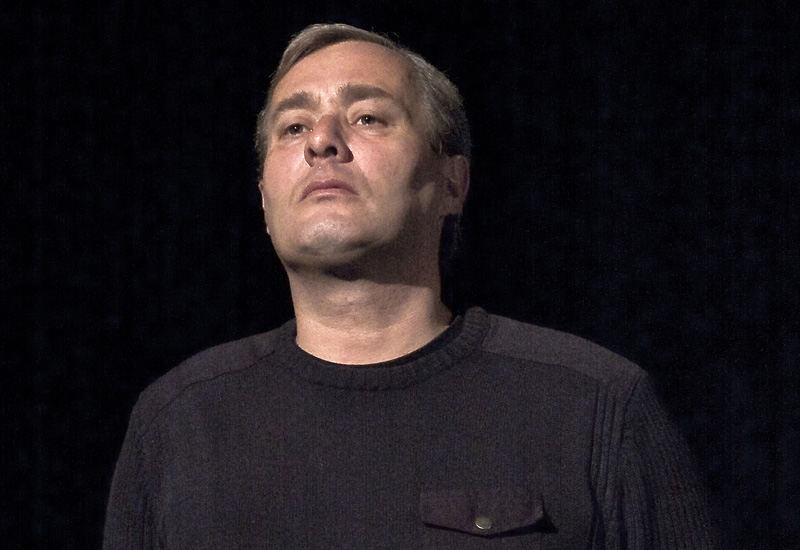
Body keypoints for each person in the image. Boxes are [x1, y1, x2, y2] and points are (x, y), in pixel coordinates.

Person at [104, 23, 720, 549]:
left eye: (367, 117)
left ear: (452, 183)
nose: (322, 141)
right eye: (292, 127)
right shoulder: (178, 423)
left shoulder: (595, 406)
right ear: (264, 201)